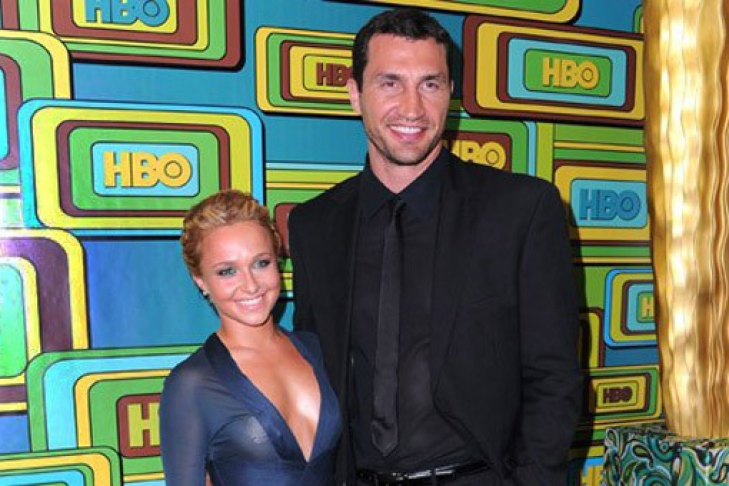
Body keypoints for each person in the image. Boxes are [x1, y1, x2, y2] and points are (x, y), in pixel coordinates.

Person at [287, 8, 582, 486]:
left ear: (450, 94)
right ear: (354, 94)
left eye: (430, 84)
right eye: (390, 83)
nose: (412, 108)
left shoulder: (520, 210)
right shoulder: (314, 225)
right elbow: (315, 378)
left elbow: (554, 376)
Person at [159, 190, 341, 485]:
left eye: (261, 263)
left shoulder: (316, 350)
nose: (251, 285)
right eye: (227, 271)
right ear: (201, 281)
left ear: (278, 262)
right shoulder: (192, 383)